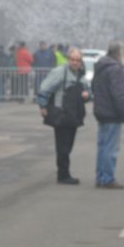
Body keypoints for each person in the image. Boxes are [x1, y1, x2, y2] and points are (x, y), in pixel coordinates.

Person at [37, 47, 89, 184]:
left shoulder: (81, 75)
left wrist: (87, 95)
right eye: (72, 59)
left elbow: (87, 92)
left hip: (74, 115)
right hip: (61, 114)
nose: (75, 62)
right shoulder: (59, 72)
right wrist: (43, 106)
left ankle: (64, 173)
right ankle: (63, 175)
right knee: (63, 147)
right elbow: (44, 89)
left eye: (78, 60)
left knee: (69, 145)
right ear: (68, 59)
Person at [91, 42, 124, 189]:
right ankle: (108, 178)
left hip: (101, 111)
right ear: (118, 54)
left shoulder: (101, 67)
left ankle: (100, 177)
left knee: (102, 147)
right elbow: (119, 95)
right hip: (112, 113)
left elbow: (93, 87)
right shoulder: (116, 69)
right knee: (111, 149)